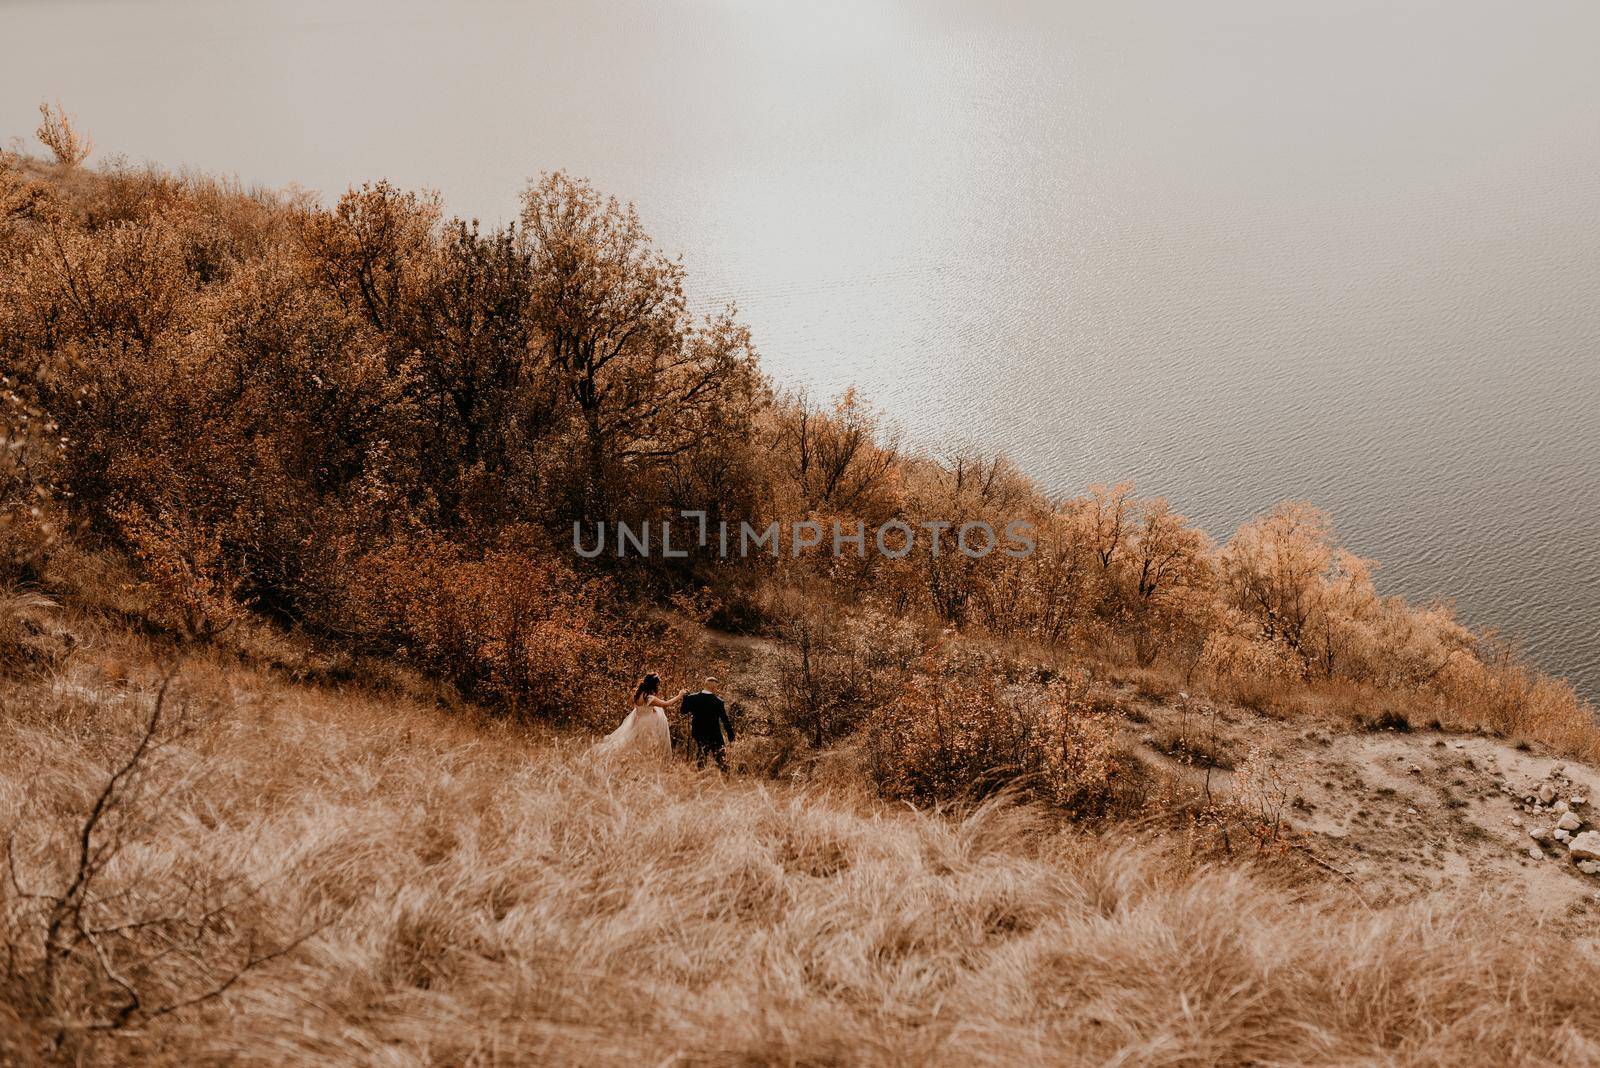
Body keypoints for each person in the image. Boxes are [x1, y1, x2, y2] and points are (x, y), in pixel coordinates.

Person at [594, 673, 682, 764]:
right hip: (648, 723)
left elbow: (630, 703)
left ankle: (632, 761)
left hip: (637, 720)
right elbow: (666, 704)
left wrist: (647, 708)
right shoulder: (649, 698)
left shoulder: (636, 694)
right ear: (653, 685)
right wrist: (679, 695)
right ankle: (643, 763)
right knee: (647, 744)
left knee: (633, 742)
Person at [680, 676, 735, 770]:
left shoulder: (692, 698)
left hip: (698, 732)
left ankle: (700, 775)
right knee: (720, 757)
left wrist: (685, 698)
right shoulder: (718, 702)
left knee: (701, 754)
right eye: (716, 687)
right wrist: (731, 735)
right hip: (714, 734)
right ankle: (724, 778)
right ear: (714, 688)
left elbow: (683, 711)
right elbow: (724, 719)